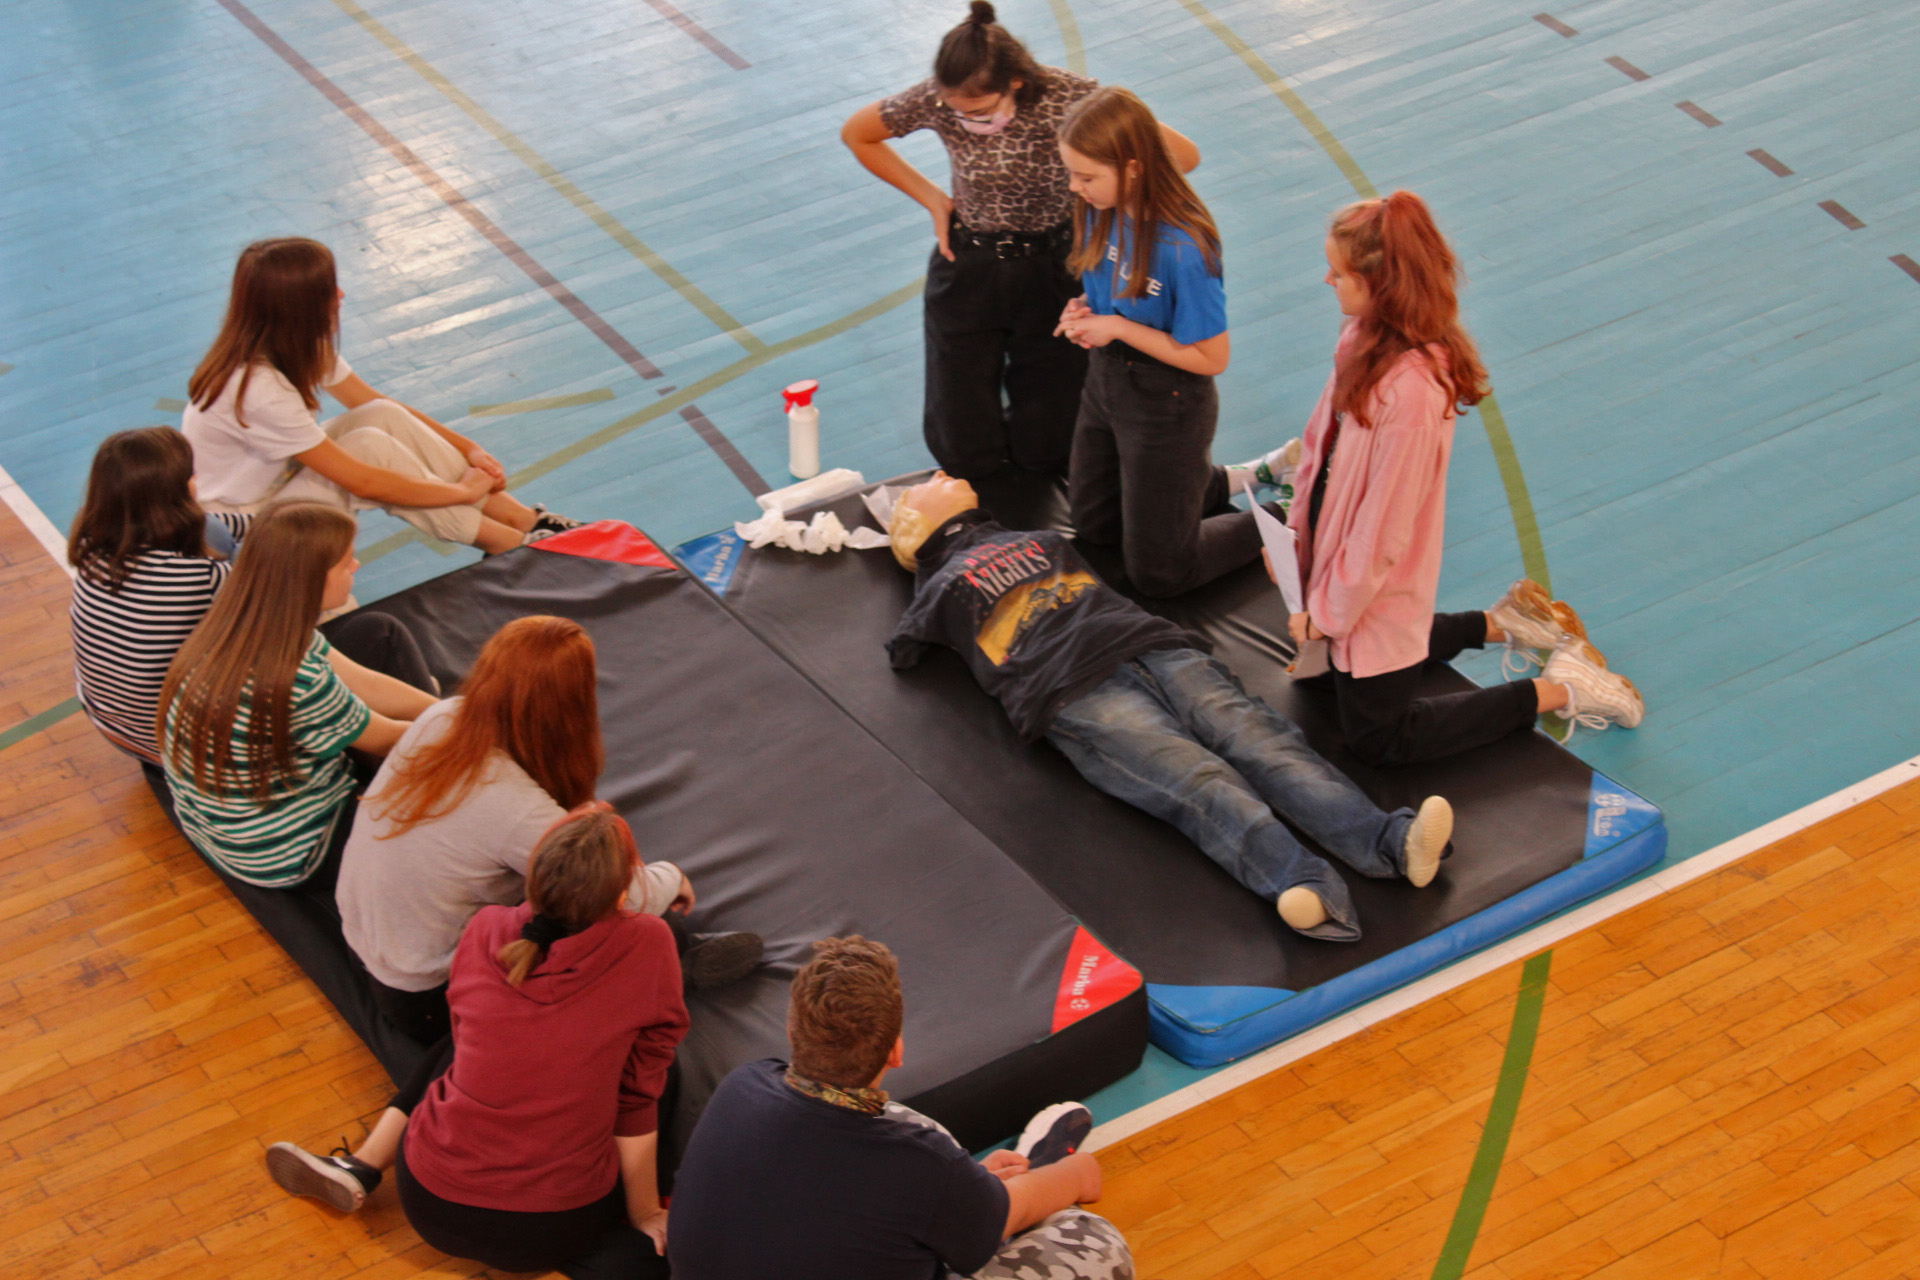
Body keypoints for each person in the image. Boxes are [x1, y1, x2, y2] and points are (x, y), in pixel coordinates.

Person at [885, 474, 1453, 939]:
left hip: (1154, 646)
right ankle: (1300, 883)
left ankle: (1391, 842)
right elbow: (904, 647)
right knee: (1195, 778)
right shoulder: (937, 588)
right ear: (916, 525)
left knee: (1264, 742)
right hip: (1072, 687)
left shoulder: (1036, 537)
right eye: (926, 486)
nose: (941, 475)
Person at [1286, 192, 1644, 767]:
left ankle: (1563, 687)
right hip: (1346, 567)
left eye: (1340, 272)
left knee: (1380, 738)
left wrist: (1327, 614)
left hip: (1371, 575)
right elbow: (1319, 444)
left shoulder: (1412, 394)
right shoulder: (1360, 336)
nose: (1327, 279)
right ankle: (1507, 623)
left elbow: (1382, 534)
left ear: (1381, 284)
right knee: (1336, 664)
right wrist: (1294, 536)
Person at [266, 805, 684, 1280]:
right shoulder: (649, 941)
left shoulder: (485, 926)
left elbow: (468, 1033)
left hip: (426, 1201)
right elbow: (637, 1098)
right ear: (623, 892)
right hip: (547, 1231)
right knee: (661, 1070)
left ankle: (364, 1163)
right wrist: (646, 1211)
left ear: (532, 879)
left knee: (459, 1046)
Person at [337, 614, 762, 1045]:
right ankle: (659, 974)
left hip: (364, 948)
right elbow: (629, 895)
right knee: (625, 913)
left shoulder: (444, 716)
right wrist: (671, 877)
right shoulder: (515, 808)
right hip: (429, 997)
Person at [842, 3, 1199, 481]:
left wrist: (1102, 207)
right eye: (956, 111)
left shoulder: (1070, 96)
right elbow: (859, 133)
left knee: (1052, 416)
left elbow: (1181, 155)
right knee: (959, 412)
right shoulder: (938, 98)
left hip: (1055, 265)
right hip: (970, 263)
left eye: (980, 111)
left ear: (1015, 82)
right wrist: (933, 200)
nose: (966, 119)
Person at [669, 935, 1130, 1280]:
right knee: (1099, 1243)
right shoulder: (919, 1162)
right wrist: (1078, 1173)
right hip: (949, 1192)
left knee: (908, 1143)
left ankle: (974, 1197)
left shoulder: (740, 1085)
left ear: (792, 1032)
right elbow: (1033, 1202)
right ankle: (993, 1190)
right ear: (896, 1051)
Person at [183, 237, 580, 554]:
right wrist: (462, 491)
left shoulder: (292, 344)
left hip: (276, 482)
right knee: (371, 450)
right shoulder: (258, 389)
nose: (341, 294)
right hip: (246, 522)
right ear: (299, 307)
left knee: (381, 416)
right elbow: (365, 482)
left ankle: (526, 522)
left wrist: (469, 448)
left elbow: (374, 403)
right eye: (328, 289)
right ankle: (512, 546)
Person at [1052, 87, 1282, 600]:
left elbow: (1212, 357)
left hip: (1168, 403)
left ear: (1133, 168)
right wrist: (1083, 310)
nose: (1074, 187)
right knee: (1094, 525)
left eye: (1086, 176)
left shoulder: (1185, 248)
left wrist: (1118, 329)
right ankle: (1234, 476)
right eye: (1072, 173)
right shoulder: (1099, 208)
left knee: (1160, 573)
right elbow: (1112, 290)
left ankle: (1291, 507)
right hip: (1107, 383)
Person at [157, 502, 437, 889]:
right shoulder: (293, 680)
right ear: (311, 580)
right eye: (346, 563)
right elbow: (390, 739)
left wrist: (445, 710)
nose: (356, 566)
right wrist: (474, 725)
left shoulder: (244, 623)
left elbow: (364, 682)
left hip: (226, 823)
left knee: (378, 631)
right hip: (292, 848)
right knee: (448, 810)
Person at [68, 427, 252, 772]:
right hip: (179, 748)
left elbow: (213, 525)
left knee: (215, 534)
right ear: (177, 493)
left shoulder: (92, 547)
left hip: (114, 725)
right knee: (259, 576)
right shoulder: (203, 579)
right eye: (190, 476)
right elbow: (277, 570)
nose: (197, 481)